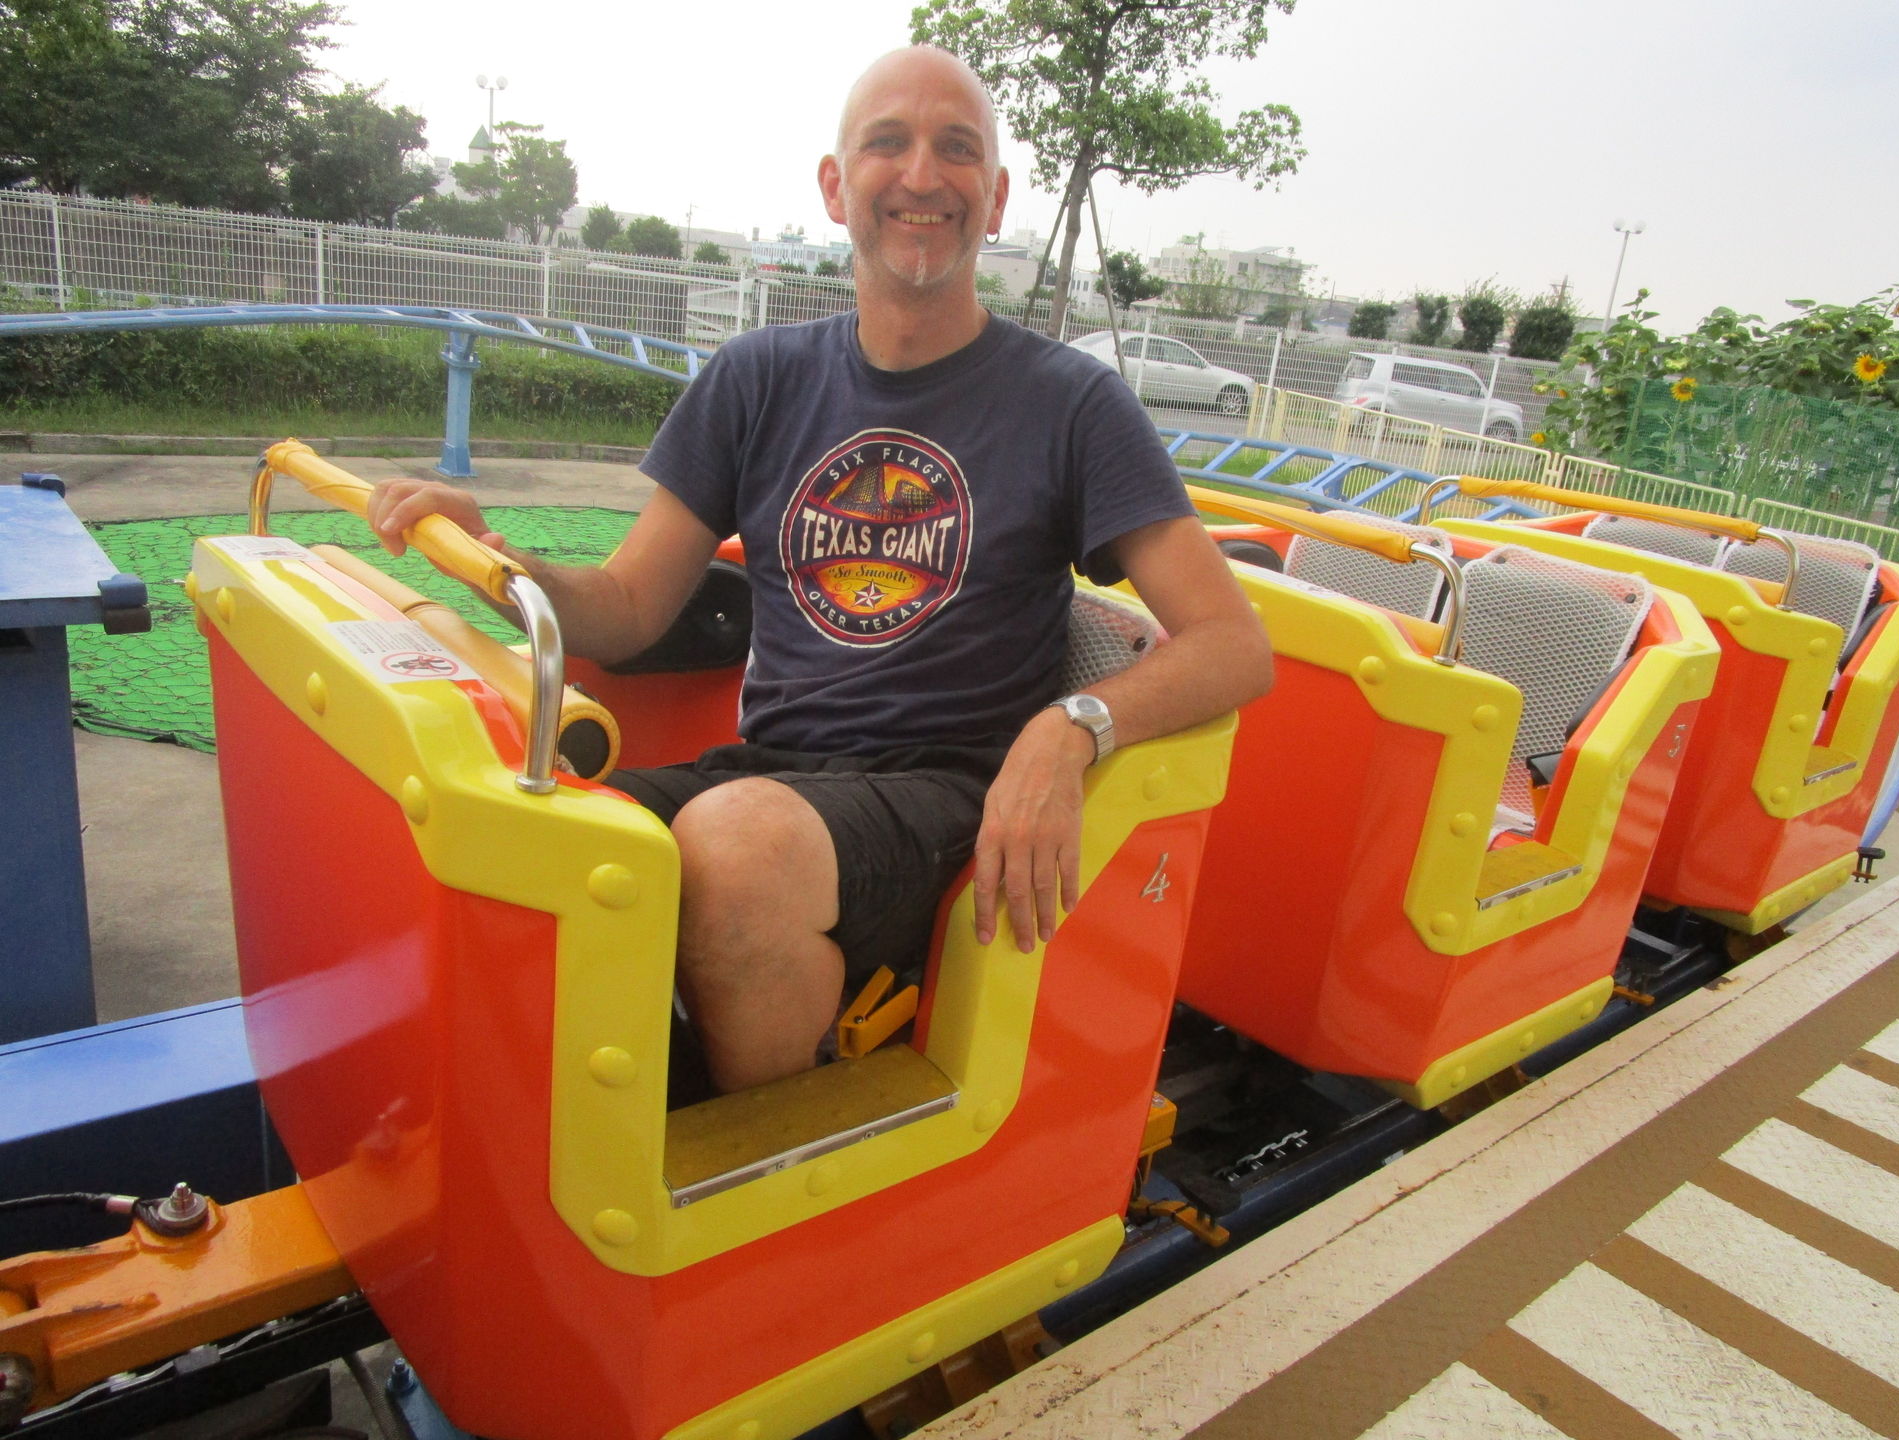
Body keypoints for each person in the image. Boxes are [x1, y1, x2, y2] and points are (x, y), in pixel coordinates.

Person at [366, 45, 1271, 1096]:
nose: (922, 174)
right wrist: (500, 559)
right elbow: (625, 607)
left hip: (946, 802)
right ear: (837, 187)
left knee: (735, 852)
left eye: (957, 149)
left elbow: (1232, 645)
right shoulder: (756, 379)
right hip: (770, 778)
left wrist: (1069, 730)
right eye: (889, 143)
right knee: (517, 841)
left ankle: (774, 1156)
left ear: (996, 197)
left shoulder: (1072, 404)